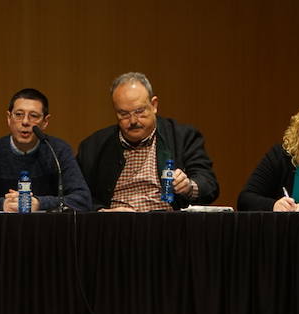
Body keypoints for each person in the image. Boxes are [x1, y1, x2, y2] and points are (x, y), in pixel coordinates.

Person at [77, 72, 219, 211]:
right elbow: (77, 196)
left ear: (154, 105)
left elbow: (209, 184)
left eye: (139, 111)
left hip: (167, 225)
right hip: (116, 228)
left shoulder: (182, 137)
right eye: (124, 114)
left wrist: (188, 187)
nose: (133, 121)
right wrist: (102, 212)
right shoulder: (93, 147)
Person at [0, 88, 91, 212]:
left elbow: (82, 200)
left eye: (34, 116)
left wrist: (38, 203)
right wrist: (3, 204)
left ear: (45, 122)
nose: (25, 122)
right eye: (18, 114)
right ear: (9, 118)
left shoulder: (57, 151)